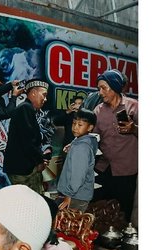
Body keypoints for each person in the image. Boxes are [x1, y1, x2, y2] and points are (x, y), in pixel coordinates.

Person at [93, 70, 138, 221]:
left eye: (104, 88)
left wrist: (134, 129)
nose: (100, 92)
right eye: (99, 88)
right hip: (103, 169)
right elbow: (92, 137)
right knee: (100, 209)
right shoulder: (98, 111)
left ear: (115, 87)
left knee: (122, 211)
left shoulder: (134, 107)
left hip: (126, 171)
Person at [3, 79, 50, 194]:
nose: (45, 99)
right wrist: (39, 161)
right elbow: (28, 141)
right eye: (43, 95)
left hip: (21, 167)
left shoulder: (25, 108)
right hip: (23, 170)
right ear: (33, 92)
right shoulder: (25, 108)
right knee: (31, 202)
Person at [56, 109, 98, 212]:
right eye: (74, 123)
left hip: (75, 196)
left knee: (70, 225)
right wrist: (73, 145)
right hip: (79, 194)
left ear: (90, 127)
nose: (75, 127)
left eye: (80, 125)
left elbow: (78, 176)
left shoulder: (81, 148)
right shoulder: (84, 141)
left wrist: (68, 195)